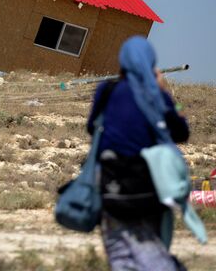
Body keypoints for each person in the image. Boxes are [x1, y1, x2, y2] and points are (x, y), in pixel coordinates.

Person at [87, 36, 190, 270]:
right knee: (152, 250)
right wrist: (169, 97)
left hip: (110, 185)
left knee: (120, 255)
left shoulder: (107, 89)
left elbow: (91, 128)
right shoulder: (158, 96)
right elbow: (181, 132)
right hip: (147, 188)